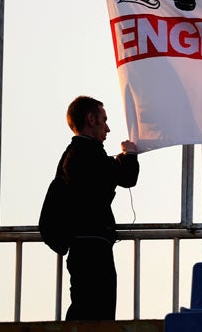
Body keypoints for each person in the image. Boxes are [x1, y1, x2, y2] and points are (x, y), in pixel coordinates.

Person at [60, 96, 140, 321]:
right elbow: (126, 176)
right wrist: (129, 155)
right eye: (104, 120)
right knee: (96, 312)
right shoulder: (86, 153)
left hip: (84, 244)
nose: (108, 128)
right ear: (90, 119)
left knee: (87, 308)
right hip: (91, 246)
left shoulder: (75, 154)